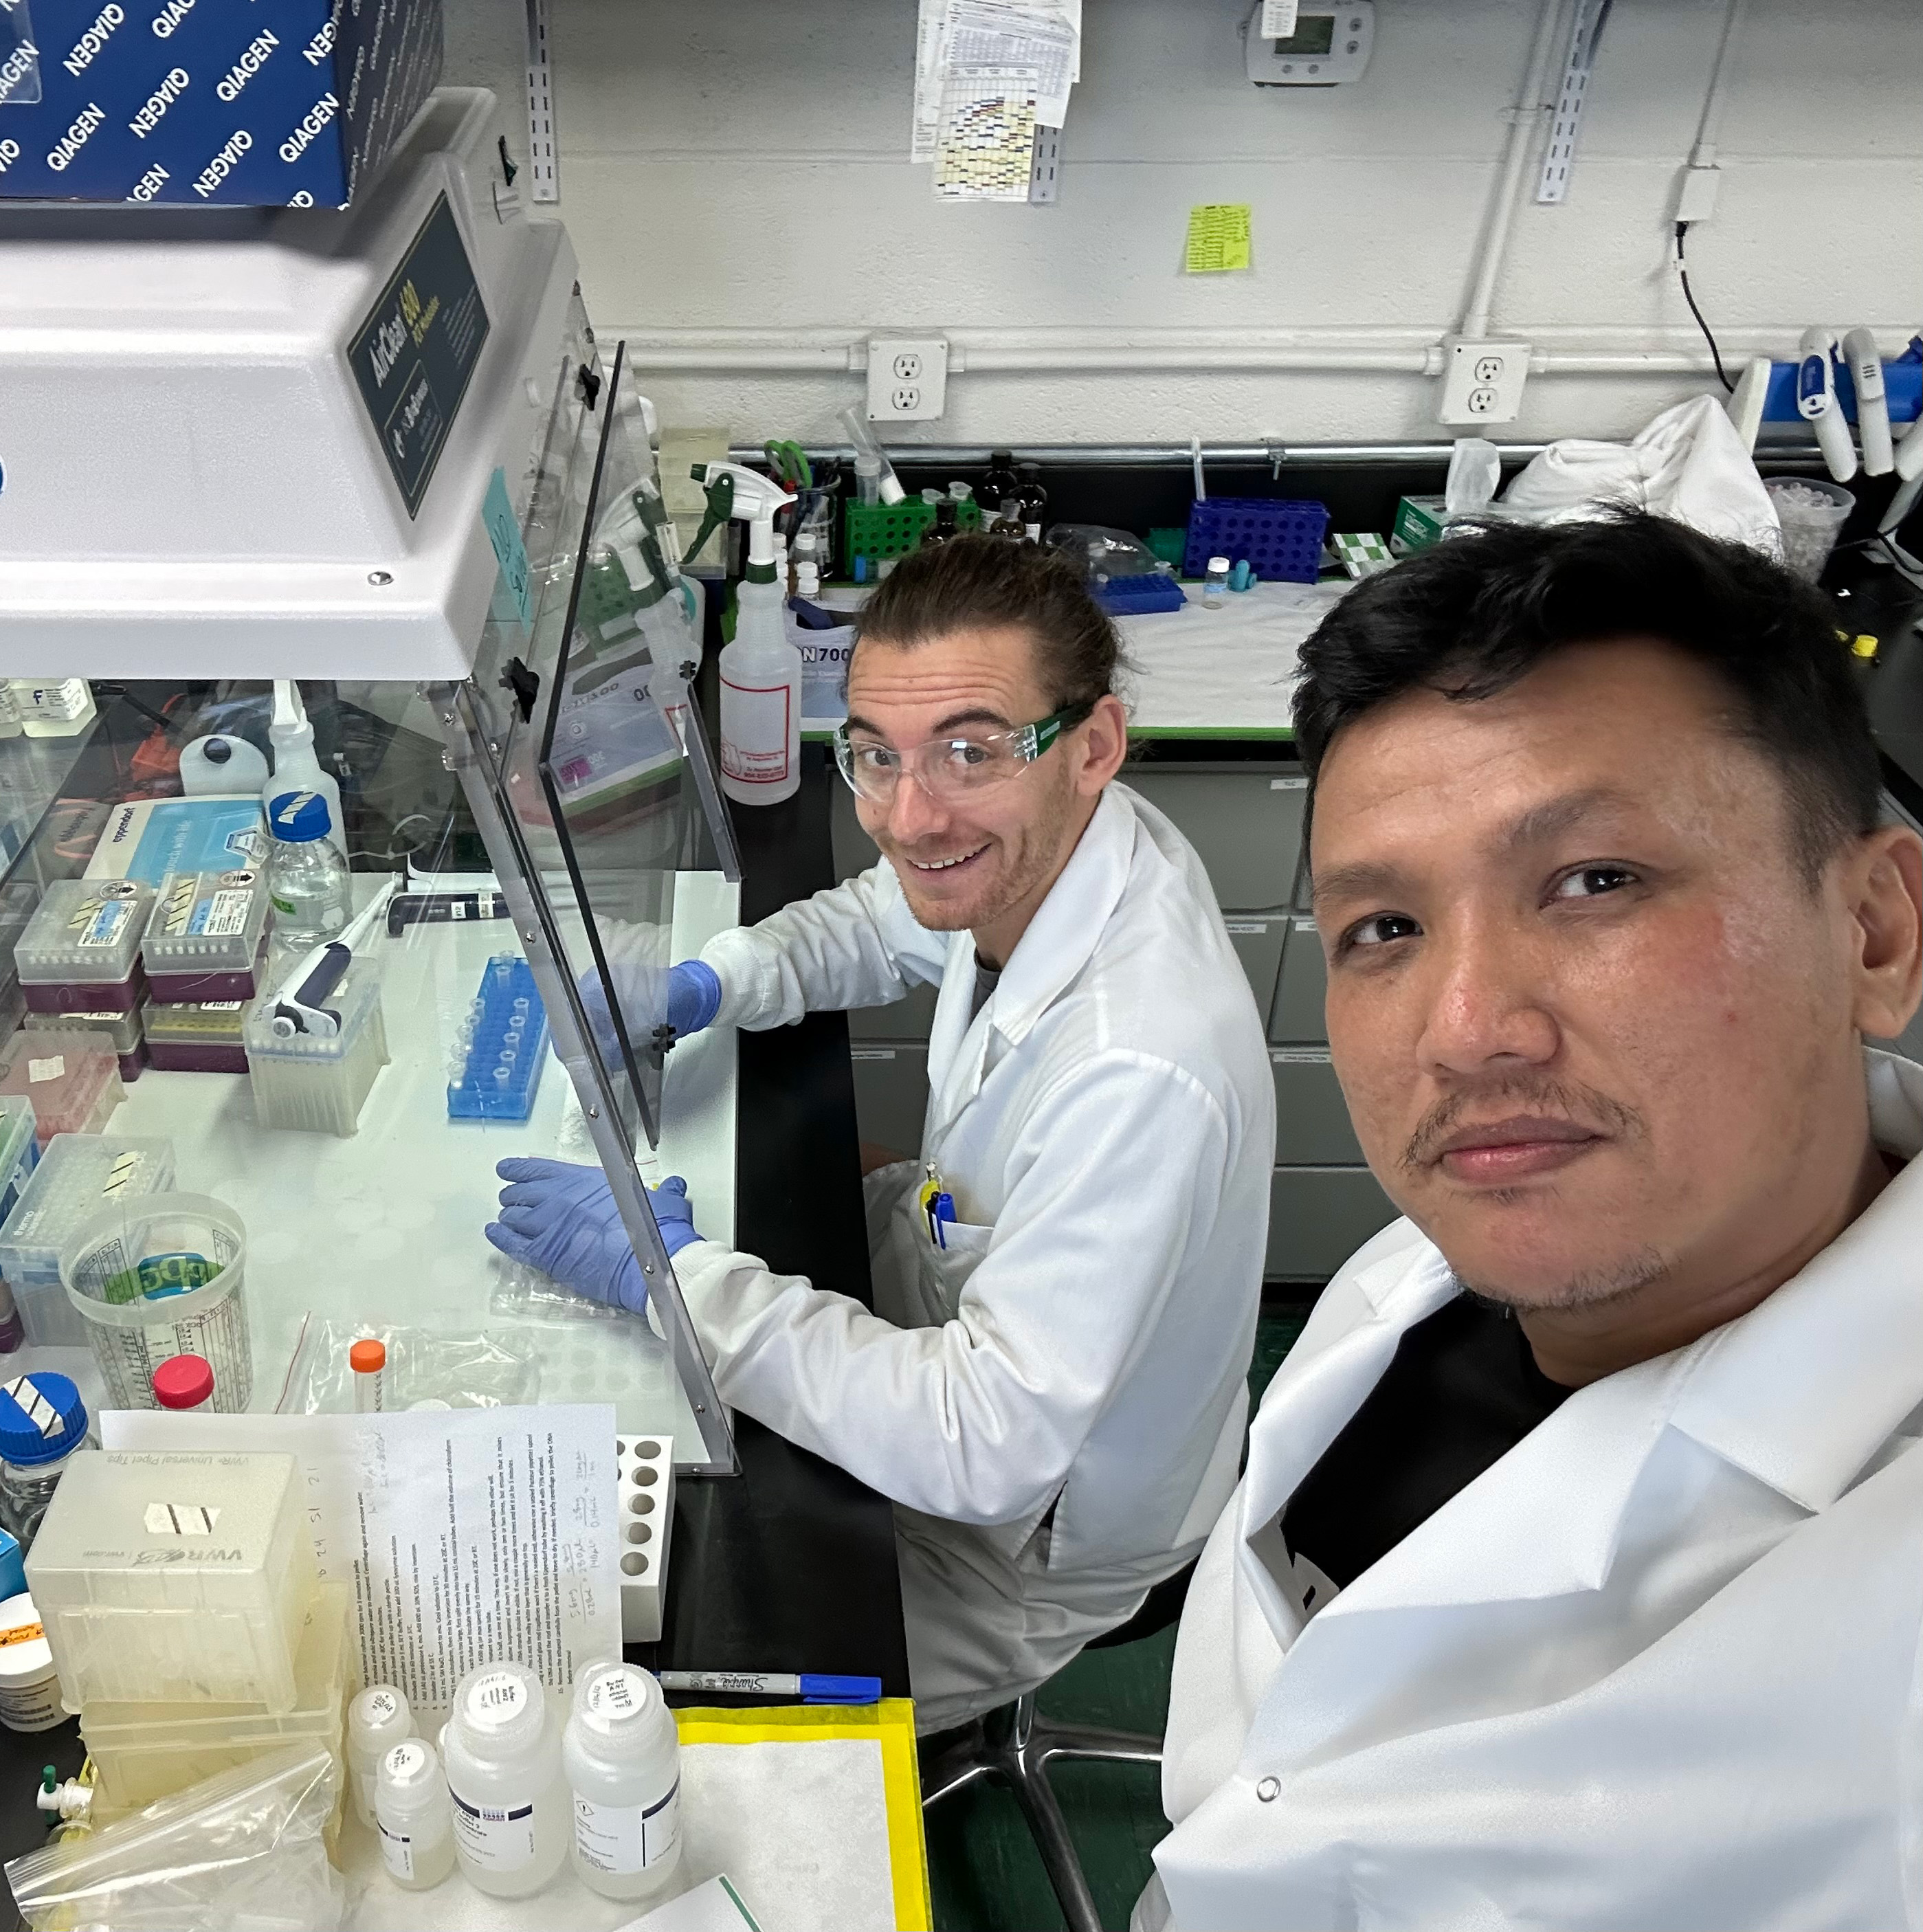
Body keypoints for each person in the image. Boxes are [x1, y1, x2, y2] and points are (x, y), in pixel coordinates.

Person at [1144, 511, 1923, 1931]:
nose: (1465, 1033)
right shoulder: (1425, 1269)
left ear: (1872, 928)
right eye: (1383, 927)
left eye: (1593, 881)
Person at [489, 536, 1275, 1731]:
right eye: (873, 756)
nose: (908, 814)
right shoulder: (1063, 844)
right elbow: (891, 917)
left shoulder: (1138, 1066)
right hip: (955, 1302)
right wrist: (709, 980)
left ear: (1093, 746)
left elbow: (979, 1443)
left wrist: (674, 1280)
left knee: (641, 1694)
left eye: (968, 750)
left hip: (1017, 1549)